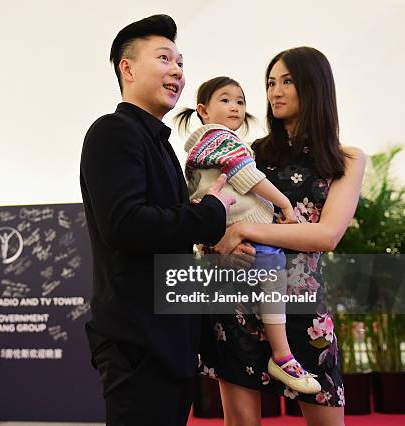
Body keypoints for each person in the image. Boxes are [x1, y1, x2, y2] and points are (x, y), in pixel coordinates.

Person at [79, 14, 236, 426]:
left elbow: (170, 236)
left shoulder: (163, 147)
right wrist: (211, 215)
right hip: (138, 348)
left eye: (181, 63)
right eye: (164, 58)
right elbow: (126, 225)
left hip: (172, 346)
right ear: (126, 69)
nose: (177, 72)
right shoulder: (112, 132)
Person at [200, 47, 365, 426]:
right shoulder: (246, 154)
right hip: (238, 300)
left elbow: (327, 234)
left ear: (314, 87)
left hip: (304, 309)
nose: (275, 91)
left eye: (287, 81)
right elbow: (208, 212)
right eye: (271, 83)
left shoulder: (347, 159)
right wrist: (222, 245)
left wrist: (247, 228)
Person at [175, 76, 321, 394]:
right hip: (247, 230)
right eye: (225, 100)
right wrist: (284, 204)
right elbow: (246, 175)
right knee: (272, 278)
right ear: (203, 110)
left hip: (230, 234)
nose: (236, 107)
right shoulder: (220, 138)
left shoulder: (201, 147)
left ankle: (279, 354)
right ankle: (282, 356)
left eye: (240, 101)